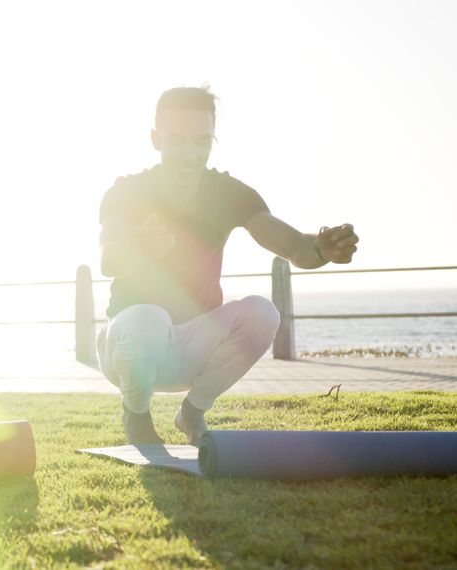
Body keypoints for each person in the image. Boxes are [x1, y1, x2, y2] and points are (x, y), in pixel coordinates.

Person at [98, 87, 358, 445]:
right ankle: (136, 415)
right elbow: (108, 258)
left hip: (193, 346)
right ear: (156, 139)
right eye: (178, 141)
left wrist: (322, 248)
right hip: (129, 347)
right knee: (149, 318)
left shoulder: (229, 193)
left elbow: (296, 248)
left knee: (263, 313)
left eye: (201, 142)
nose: (191, 155)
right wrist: (138, 244)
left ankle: (191, 413)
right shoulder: (128, 191)